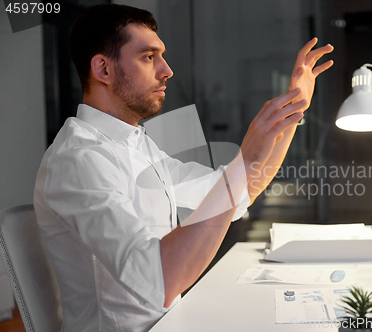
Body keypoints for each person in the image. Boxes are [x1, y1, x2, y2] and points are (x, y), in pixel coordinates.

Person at [33, 4, 333, 332]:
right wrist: (245, 157)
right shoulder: (79, 159)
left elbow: (239, 189)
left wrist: (291, 114)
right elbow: (158, 281)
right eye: (149, 57)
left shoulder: (135, 143)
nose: (167, 70)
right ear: (103, 69)